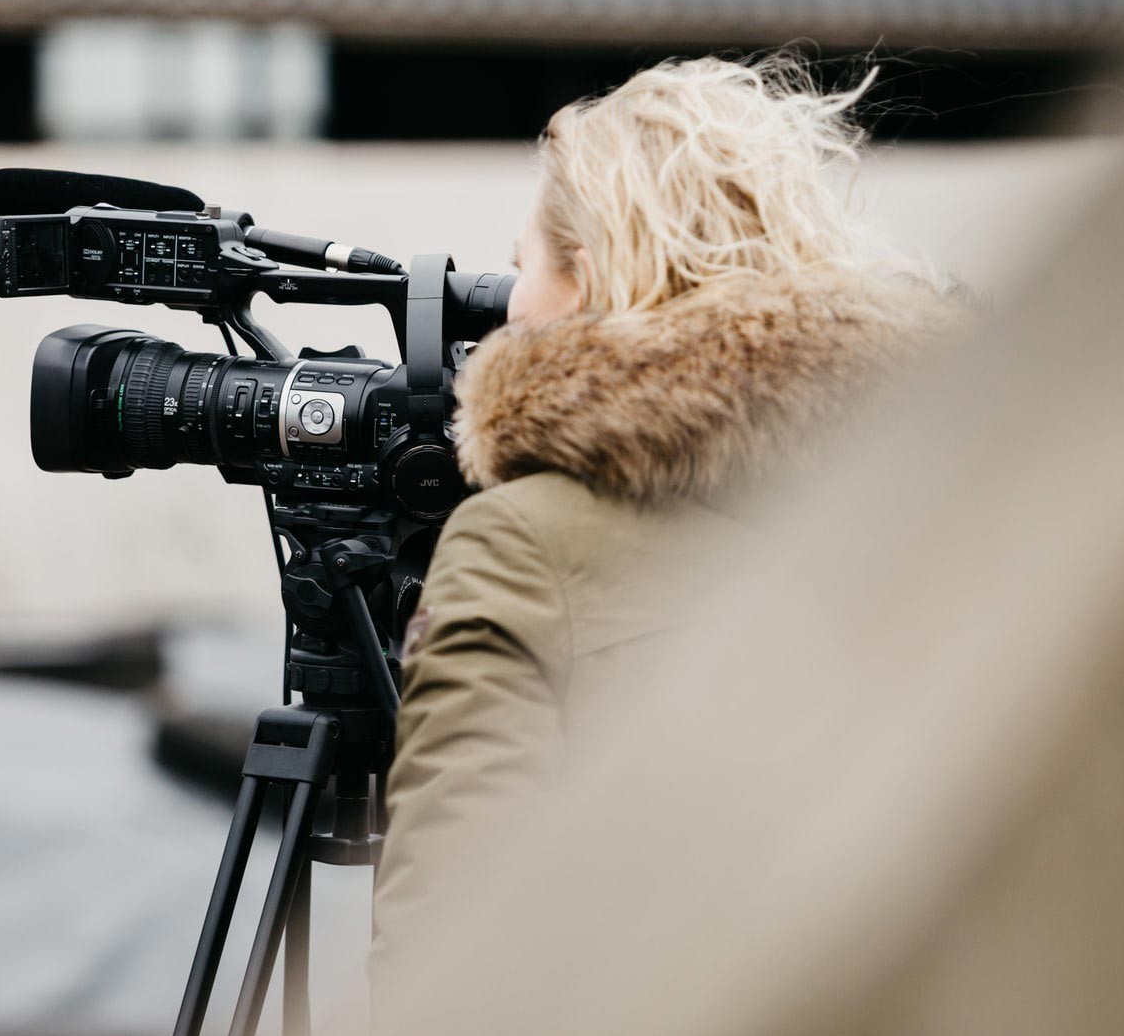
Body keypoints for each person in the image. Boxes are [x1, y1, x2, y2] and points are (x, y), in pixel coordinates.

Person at [371, 56, 961, 977]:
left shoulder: (518, 542)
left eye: (521, 267)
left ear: (589, 276)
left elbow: (450, 960)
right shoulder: (916, 499)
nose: (505, 309)